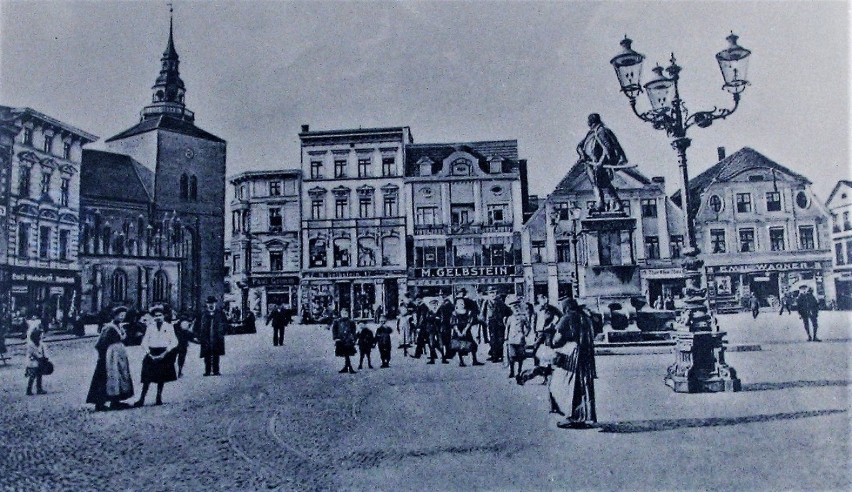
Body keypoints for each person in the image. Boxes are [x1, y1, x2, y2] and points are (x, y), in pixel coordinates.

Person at [551, 299, 597, 429]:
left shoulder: (567, 318)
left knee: (568, 385)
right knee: (585, 386)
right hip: (587, 357)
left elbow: (557, 339)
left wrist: (554, 343)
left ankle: (573, 417)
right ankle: (586, 417)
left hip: (573, 357)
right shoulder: (586, 318)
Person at [576, 113, 629, 213]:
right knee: (599, 184)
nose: (587, 123)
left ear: (592, 121)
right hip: (590, 163)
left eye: (588, 121)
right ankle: (612, 204)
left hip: (599, 163)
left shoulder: (601, 131)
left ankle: (604, 204)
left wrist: (601, 161)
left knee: (601, 184)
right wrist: (583, 156)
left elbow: (607, 148)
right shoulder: (591, 133)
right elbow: (579, 146)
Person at [86, 306, 134, 411]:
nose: (122, 318)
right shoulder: (109, 327)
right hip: (109, 356)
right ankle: (99, 403)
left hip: (119, 356)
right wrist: (102, 357)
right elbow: (100, 343)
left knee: (120, 376)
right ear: (115, 316)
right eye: (120, 315)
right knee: (106, 377)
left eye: (123, 316)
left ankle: (115, 401)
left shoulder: (120, 327)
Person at [134, 306, 177, 407]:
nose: (158, 317)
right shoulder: (150, 327)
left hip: (163, 352)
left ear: (163, 316)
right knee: (146, 378)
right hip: (152, 352)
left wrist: (165, 353)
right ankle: (142, 398)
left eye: (160, 315)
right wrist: (149, 353)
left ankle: (158, 397)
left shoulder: (169, 326)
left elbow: (174, 341)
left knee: (161, 377)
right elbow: (144, 342)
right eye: (155, 316)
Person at [195, 296, 226, 376]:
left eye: (212, 303)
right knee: (207, 353)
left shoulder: (220, 313)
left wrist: (222, 332)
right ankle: (207, 371)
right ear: (206, 304)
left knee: (216, 353)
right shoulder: (202, 314)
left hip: (216, 336)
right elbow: (197, 325)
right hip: (206, 336)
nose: (211, 305)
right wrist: (197, 335)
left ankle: (216, 370)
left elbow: (225, 323)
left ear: (215, 303)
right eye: (209, 303)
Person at [450, 298, 483, 367]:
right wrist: (458, 332)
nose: (461, 305)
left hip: (467, 331)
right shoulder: (454, 313)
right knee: (459, 346)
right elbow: (454, 323)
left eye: (462, 303)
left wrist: (465, 330)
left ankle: (474, 360)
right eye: (459, 303)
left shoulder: (468, 312)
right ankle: (461, 361)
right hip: (457, 331)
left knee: (473, 345)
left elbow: (469, 322)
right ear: (456, 305)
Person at [504, 294, 531, 379]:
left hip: (520, 340)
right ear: (511, 308)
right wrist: (506, 338)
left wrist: (525, 334)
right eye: (513, 307)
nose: (515, 308)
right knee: (511, 356)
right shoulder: (509, 318)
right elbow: (507, 329)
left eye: (517, 306)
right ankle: (511, 371)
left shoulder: (523, 317)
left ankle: (519, 371)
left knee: (520, 357)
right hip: (511, 339)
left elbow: (528, 327)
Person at [481, 289, 510, 363]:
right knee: (492, 340)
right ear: (488, 294)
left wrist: (505, 319)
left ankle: (499, 354)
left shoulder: (500, 302)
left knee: (500, 339)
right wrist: (484, 322)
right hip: (490, 323)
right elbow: (482, 313)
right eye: (491, 293)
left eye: (494, 293)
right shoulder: (486, 302)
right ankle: (494, 356)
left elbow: (508, 312)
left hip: (500, 323)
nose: (493, 294)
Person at [331, 308, 357, 373]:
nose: (344, 315)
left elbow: (354, 331)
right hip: (340, 340)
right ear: (341, 314)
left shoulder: (351, 322)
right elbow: (334, 330)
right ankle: (348, 367)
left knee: (347, 353)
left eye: (346, 313)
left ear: (348, 314)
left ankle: (348, 367)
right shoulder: (337, 321)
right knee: (346, 354)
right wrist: (335, 338)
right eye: (343, 313)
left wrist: (354, 338)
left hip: (348, 340)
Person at [24, 324, 48, 395]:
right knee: (32, 375)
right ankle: (29, 390)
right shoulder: (30, 344)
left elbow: (44, 351)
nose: (41, 336)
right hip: (32, 361)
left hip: (40, 361)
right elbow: (33, 354)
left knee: (39, 374)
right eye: (40, 335)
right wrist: (40, 358)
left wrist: (45, 358)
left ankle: (39, 388)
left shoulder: (41, 343)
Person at [174, 313, 194, 378]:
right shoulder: (186, 326)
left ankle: (178, 371)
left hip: (177, 344)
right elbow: (190, 336)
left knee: (175, 358)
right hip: (182, 344)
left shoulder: (175, 326)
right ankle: (179, 371)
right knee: (181, 359)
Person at [438, 293, 455, 364]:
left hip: (446, 323)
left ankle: (449, 353)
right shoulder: (444, 303)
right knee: (445, 339)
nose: (441, 296)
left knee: (446, 339)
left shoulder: (447, 303)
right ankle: (448, 353)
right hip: (445, 323)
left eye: (442, 294)